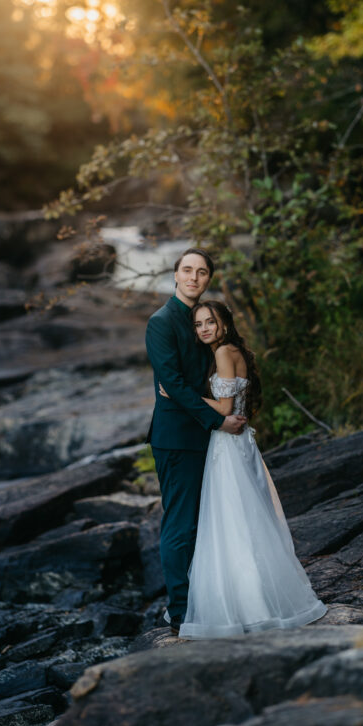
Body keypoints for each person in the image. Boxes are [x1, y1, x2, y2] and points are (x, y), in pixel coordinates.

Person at [175, 299, 327, 638]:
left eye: (210, 322)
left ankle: (249, 607)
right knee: (247, 519)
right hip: (240, 444)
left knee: (232, 522)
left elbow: (226, 406)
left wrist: (181, 394)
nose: (204, 329)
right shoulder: (234, 351)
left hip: (228, 447)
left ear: (225, 324)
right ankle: (261, 599)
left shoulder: (222, 353)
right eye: (198, 324)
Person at [145, 250, 247, 636]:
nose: (193, 277)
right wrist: (219, 420)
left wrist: (230, 411)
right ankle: (182, 612)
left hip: (209, 440)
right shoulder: (161, 322)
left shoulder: (202, 322)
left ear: (207, 280)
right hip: (178, 439)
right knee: (181, 526)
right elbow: (171, 383)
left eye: (201, 272)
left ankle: (208, 600)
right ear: (175, 275)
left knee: (209, 525)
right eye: (187, 270)